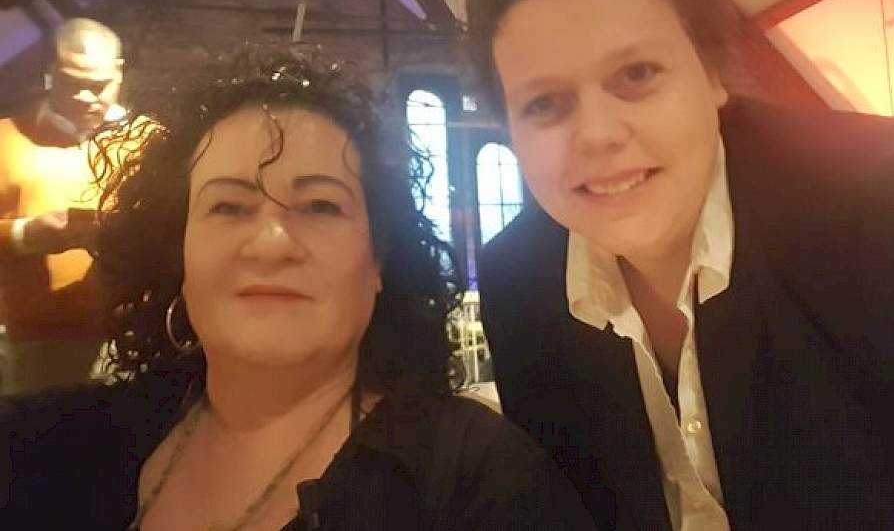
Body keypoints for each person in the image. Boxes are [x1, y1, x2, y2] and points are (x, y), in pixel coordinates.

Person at [0, 49, 596, 531]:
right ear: (177, 253)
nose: (271, 243)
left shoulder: (479, 484)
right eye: (228, 206)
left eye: (320, 206)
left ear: (378, 261)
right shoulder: (50, 450)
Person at [466, 0, 894, 530]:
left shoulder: (893, 198)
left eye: (637, 74)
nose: (597, 135)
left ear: (712, 75)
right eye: (543, 103)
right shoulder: (518, 283)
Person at [0, 17, 126, 393]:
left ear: (119, 73)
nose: (85, 97)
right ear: (50, 72)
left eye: (98, 86)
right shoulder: (5, 140)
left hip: (128, 339)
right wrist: (25, 235)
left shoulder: (149, 143)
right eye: (71, 83)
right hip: (29, 341)